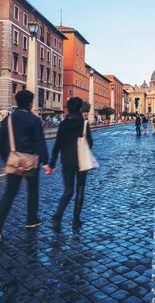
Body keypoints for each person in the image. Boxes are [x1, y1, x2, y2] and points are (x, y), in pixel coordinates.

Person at [0, 90, 48, 243]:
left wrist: (7, 158)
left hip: (13, 160)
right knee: (32, 191)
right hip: (30, 161)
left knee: (9, 194)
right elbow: (40, 142)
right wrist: (46, 162)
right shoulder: (34, 120)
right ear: (30, 103)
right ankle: (31, 219)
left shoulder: (8, 120)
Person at [45, 97, 93, 231]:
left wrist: (52, 164)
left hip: (66, 161)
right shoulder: (84, 123)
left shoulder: (63, 124)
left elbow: (57, 145)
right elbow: (90, 142)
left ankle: (57, 215)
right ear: (80, 108)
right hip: (81, 160)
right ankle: (76, 219)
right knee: (80, 189)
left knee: (68, 190)